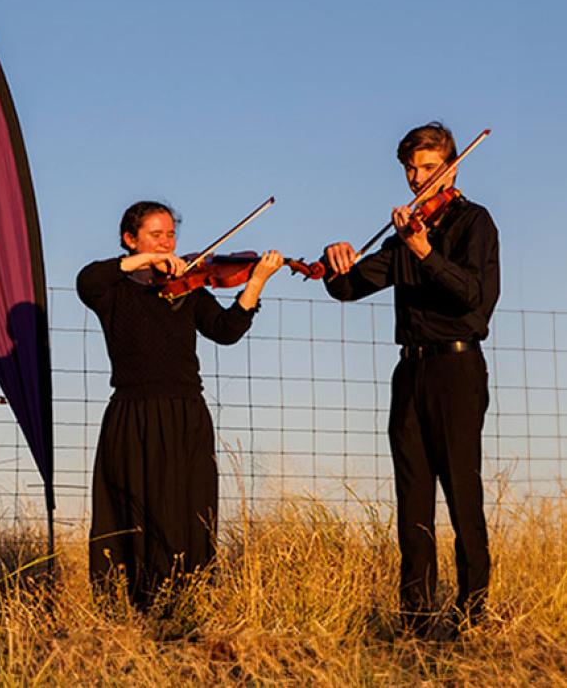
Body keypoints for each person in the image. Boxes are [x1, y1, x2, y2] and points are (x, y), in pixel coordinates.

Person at [321, 121, 499, 636]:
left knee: (462, 494)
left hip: (458, 367)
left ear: (452, 166)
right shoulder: (405, 232)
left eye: (428, 168)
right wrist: (336, 263)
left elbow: (475, 299)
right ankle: (416, 618)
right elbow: (349, 288)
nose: (418, 178)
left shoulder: (474, 223)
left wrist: (424, 250)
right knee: (412, 496)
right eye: (411, 169)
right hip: (410, 370)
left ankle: (472, 616)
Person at [77, 201, 283, 616]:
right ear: (129, 239)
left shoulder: (189, 287)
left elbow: (225, 332)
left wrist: (255, 284)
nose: (167, 243)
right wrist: (144, 260)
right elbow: (86, 279)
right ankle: (126, 607)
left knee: (187, 509)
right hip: (132, 412)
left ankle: (183, 605)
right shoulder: (111, 290)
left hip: (185, 412)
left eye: (170, 235)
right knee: (131, 505)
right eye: (156, 235)